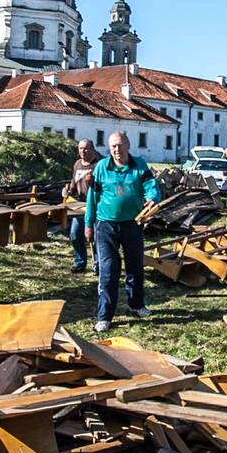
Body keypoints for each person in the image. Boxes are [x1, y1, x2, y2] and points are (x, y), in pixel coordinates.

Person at [84, 131, 161, 333]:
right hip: (105, 225)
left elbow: (151, 186)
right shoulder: (101, 167)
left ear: (128, 144)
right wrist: (88, 224)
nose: (117, 150)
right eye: (113, 147)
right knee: (108, 271)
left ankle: (136, 304)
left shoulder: (139, 165)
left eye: (119, 145)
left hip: (132, 224)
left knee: (135, 267)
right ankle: (105, 316)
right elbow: (92, 198)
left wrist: (153, 197)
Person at [65, 138, 101, 273]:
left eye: (86, 148)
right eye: (80, 148)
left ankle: (98, 265)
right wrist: (69, 191)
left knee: (96, 237)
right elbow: (74, 182)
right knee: (75, 234)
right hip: (79, 206)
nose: (83, 151)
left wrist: (93, 182)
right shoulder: (77, 164)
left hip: (96, 206)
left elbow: (104, 186)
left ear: (92, 149)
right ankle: (80, 262)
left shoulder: (98, 165)